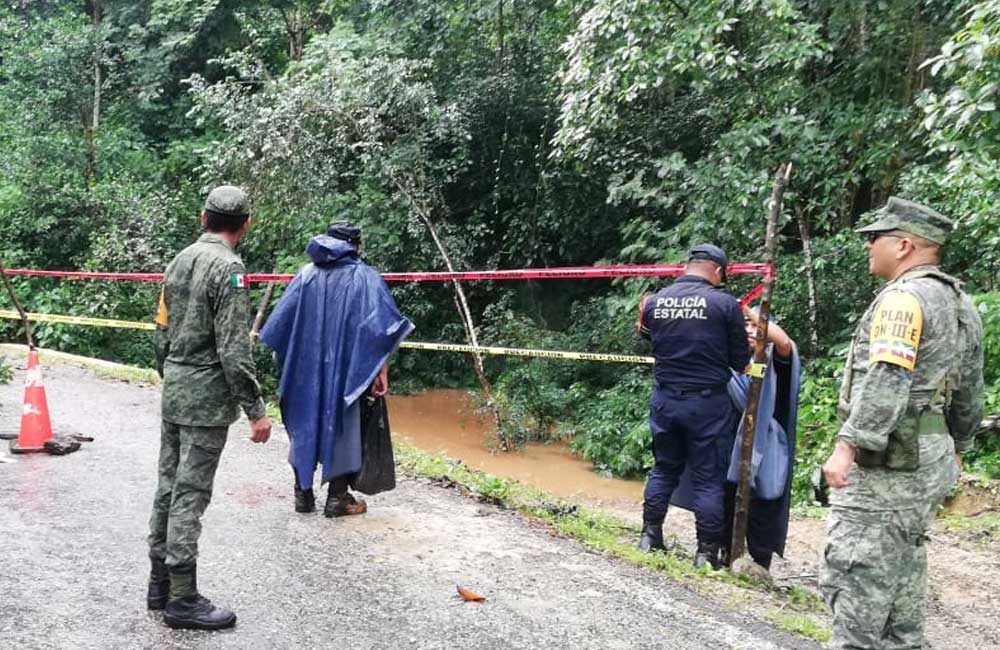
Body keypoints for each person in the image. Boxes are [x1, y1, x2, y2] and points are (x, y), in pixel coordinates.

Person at [819, 196, 984, 649]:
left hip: (889, 462)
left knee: (856, 572)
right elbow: (970, 386)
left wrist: (847, 445)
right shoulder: (959, 300)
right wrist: (958, 446)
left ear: (905, 245)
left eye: (876, 237)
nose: (869, 245)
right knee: (903, 572)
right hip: (930, 456)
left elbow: (887, 377)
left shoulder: (902, 299)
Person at [147, 185, 273, 630]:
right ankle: (182, 599)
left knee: (168, 486)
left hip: (177, 388)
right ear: (245, 224)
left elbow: (160, 330)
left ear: (204, 218)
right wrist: (256, 408)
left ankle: (158, 584)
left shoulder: (179, 260)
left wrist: (172, 374)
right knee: (190, 494)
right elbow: (234, 350)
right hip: (205, 399)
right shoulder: (231, 269)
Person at [260, 220, 413, 518]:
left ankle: (302, 495)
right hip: (347, 368)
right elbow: (380, 332)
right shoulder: (365, 278)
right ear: (356, 246)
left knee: (304, 424)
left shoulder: (305, 276)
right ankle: (337, 497)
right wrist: (380, 370)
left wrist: (290, 365)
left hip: (304, 370)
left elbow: (279, 330)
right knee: (344, 425)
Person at [636, 244, 751, 568]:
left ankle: (649, 536)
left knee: (663, 468)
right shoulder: (725, 304)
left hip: (665, 400)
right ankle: (706, 554)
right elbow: (740, 362)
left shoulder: (655, 301)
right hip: (708, 405)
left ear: (688, 267)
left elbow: (647, 335)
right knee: (707, 479)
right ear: (717, 271)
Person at [719, 307, 801, 572]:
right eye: (746, 326)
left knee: (765, 500)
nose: (751, 331)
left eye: (757, 326)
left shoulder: (776, 358)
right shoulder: (729, 360)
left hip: (766, 445)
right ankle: (725, 553)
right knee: (726, 497)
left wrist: (747, 309)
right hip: (730, 441)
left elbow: (785, 342)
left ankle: (760, 563)